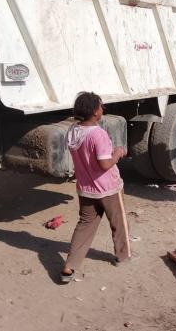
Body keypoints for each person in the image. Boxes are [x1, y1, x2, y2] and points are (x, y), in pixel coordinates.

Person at [60, 92, 131, 283]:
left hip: (85, 188)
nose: (103, 109)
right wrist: (118, 153)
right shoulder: (97, 134)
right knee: (118, 223)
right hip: (108, 188)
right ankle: (122, 257)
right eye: (101, 106)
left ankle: (70, 266)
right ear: (94, 112)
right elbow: (105, 164)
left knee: (85, 225)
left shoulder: (73, 131)